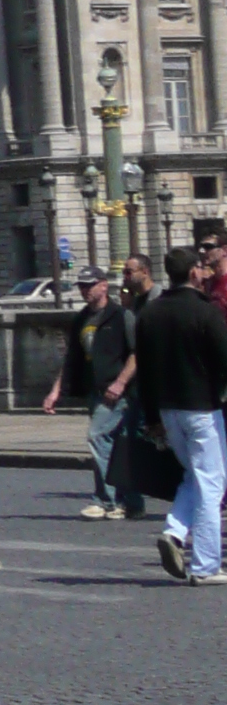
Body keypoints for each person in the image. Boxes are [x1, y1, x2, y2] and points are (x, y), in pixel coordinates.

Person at [134, 242, 227, 585]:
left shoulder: (151, 313)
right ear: (193, 273)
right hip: (201, 408)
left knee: (193, 475)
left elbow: (143, 372)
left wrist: (151, 418)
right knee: (212, 483)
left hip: (167, 411)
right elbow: (224, 360)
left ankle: (174, 531)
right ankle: (205, 565)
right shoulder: (205, 312)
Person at [42, 266, 145, 521]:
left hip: (117, 392)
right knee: (118, 445)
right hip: (94, 390)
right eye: (81, 286)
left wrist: (120, 383)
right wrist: (55, 391)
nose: (84, 290)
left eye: (89, 285)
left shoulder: (121, 316)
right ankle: (131, 502)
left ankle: (106, 500)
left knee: (97, 436)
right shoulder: (81, 319)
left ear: (103, 286)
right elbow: (72, 359)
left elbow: (137, 353)